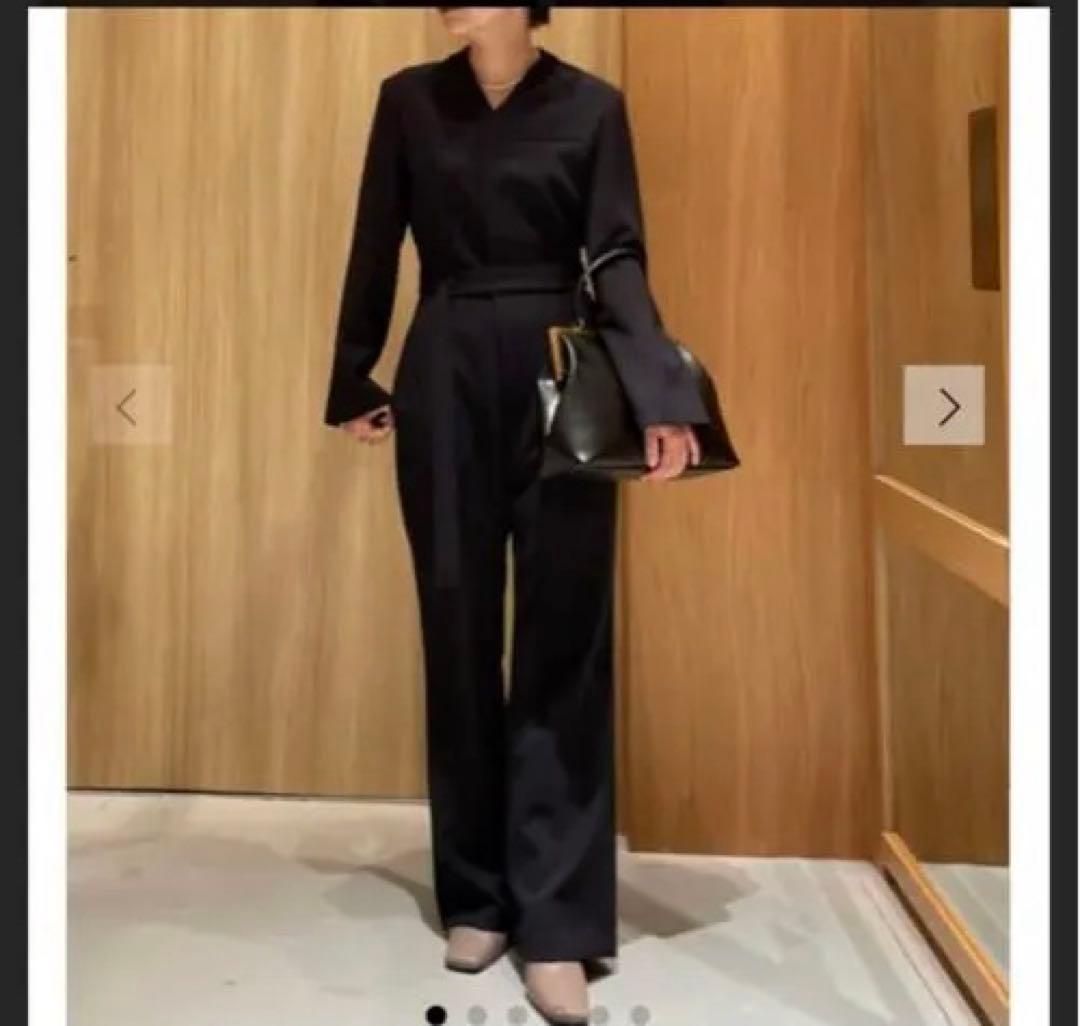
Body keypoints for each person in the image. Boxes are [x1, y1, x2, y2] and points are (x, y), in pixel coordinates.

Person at [323, 7, 709, 1023]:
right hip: (444, 363)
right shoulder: (410, 101)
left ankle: (561, 922)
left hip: (558, 379)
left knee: (563, 641)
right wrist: (354, 373)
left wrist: (661, 394)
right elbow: (376, 236)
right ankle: (477, 894)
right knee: (455, 629)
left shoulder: (591, 107)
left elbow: (616, 254)